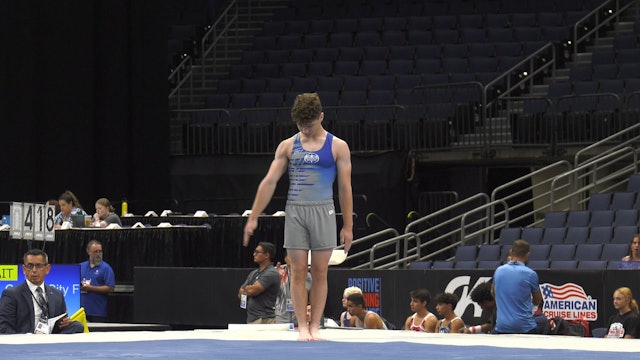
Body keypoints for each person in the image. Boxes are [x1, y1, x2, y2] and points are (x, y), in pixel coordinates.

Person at [242, 92, 353, 341]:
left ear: (321, 117)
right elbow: (270, 181)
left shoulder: (337, 146)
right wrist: (254, 216)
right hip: (296, 211)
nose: (305, 129)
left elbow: (345, 188)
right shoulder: (288, 146)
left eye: (310, 124)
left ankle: (315, 326)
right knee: (299, 271)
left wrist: (348, 225)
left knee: (321, 271)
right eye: (301, 125)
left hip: (323, 209)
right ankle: (302, 326)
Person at [0, 249, 84, 334]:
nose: (34, 270)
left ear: (47, 269)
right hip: (25, 340)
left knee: (77, 326)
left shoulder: (57, 294)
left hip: (50, 338)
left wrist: (65, 323)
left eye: (38, 266)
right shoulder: (11, 294)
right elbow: (4, 327)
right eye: (30, 266)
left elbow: (61, 323)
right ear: (24, 269)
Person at [492, 239, 543, 334]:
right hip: (525, 328)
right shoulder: (531, 274)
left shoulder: (498, 271)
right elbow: (538, 300)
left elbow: (493, 291)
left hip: (501, 327)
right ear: (527, 255)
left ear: (511, 252)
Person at [237, 242, 280, 324]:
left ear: (266, 255)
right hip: (252, 318)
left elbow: (251, 291)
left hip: (264, 319)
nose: (254, 254)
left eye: (257, 252)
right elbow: (240, 293)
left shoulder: (271, 273)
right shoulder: (253, 273)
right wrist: (248, 289)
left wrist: (248, 289)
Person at [80, 240, 115, 322]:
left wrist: (91, 288)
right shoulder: (80, 266)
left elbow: (110, 288)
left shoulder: (106, 268)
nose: (98, 254)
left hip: (98, 312)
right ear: (88, 252)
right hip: (81, 311)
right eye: (95, 252)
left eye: (100, 251)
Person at [275, 249, 312, 325]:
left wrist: (293, 274)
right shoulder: (279, 274)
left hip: (298, 317)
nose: (294, 258)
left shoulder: (306, 275)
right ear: (285, 258)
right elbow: (275, 293)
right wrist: (276, 278)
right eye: (291, 255)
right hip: (281, 317)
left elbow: (301, 293)